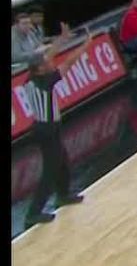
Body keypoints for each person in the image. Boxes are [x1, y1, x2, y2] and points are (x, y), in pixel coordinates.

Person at [19, 22, 91, 227]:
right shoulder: (46, 80)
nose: (50, 62)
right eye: (46, 63)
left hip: (46, 126)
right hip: (46, 128)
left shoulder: (32, 77)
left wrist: (62, 38)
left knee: (63, 160)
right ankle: (33, 213)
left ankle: (63, 194)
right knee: (50, 170)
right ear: (41, 69)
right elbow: (69, 62)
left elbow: (47, 56)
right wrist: (86, 45)